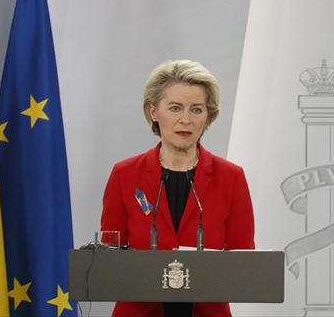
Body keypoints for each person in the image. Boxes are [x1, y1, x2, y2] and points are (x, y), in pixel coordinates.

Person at [100, 60, 255, 317]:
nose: (186, 120)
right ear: (153, 112)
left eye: (196, 110)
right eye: (175, 108)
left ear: (209, 116)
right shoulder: (124, 174)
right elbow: (109, 256)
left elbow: (243, 261)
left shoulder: (231, 177)